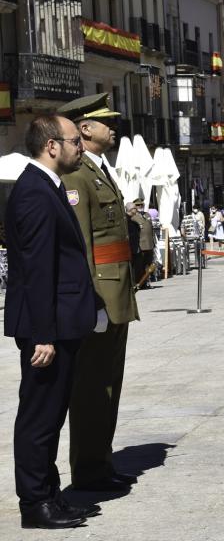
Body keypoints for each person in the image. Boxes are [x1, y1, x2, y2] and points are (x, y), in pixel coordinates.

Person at [6, 115, 104, 528]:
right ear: (51, 146)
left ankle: (50, 494)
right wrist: (43, 334)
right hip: (47, 329)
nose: (79, 146)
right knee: (39, 418)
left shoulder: (48, 187)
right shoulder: (34, 192)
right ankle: (35, 504)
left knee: (52, 414)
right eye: (73, 141)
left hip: (61, 323)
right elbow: (36, 269)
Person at [57, 93, 139, 492]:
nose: (114, 127)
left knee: (110, 384)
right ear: (85, 128)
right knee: (92, 387)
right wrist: (89, 301)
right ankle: (88, 470)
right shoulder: (76, 175)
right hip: (100, 294)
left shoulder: (98, 169)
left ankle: (101, 462)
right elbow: (81, 244)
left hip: (117, 290)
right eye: (107, 121)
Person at [128, 198, 155, 288]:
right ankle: (141, 283)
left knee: (149, 265)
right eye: (138, 205)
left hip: (150, 244)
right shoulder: (133, 218)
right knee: (141, 266)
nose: (140, 207)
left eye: (141, 205)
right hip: (141, 245)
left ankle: (147, 282)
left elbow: (151, 229)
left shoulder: (147, 215)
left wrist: (154, 242)